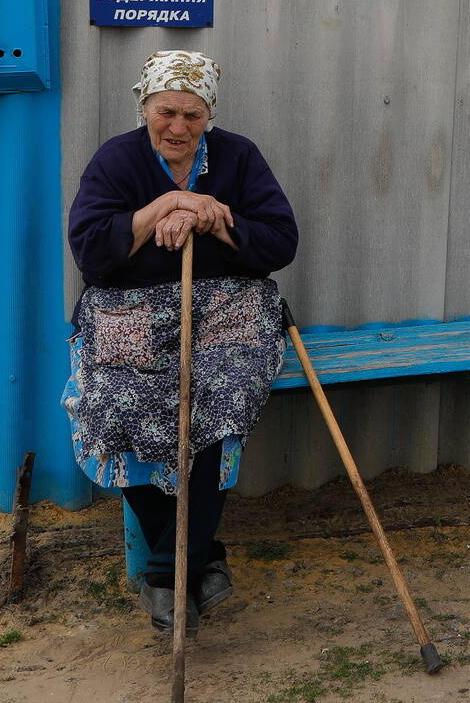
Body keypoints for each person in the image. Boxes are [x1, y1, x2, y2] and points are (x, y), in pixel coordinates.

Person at [64, 50, 297, 636]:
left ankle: (166, 574)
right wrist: (165, 205)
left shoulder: (238, 157)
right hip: (129, 309)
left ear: (209, 114)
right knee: (116, 405)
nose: (178, 127)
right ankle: (203, 558)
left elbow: (280, 242)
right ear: (144, 107)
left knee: (222, 400)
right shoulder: (117, 160)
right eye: (166, 112)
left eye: (193, 115)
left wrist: (216, 218)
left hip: (228, 308)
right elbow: (91, 253)